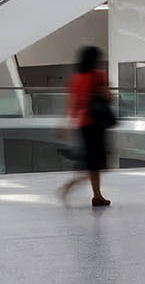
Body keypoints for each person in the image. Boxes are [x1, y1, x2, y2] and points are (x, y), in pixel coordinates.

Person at [58, 45, 112, 207]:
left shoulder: (75, 78)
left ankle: (97, 196)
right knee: (97, 164)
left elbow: (71, 103)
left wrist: (67, 122)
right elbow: (108, 97)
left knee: (93, 164)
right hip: (96, 124)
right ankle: (72, 186)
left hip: (83, 124)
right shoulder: (99, 76)